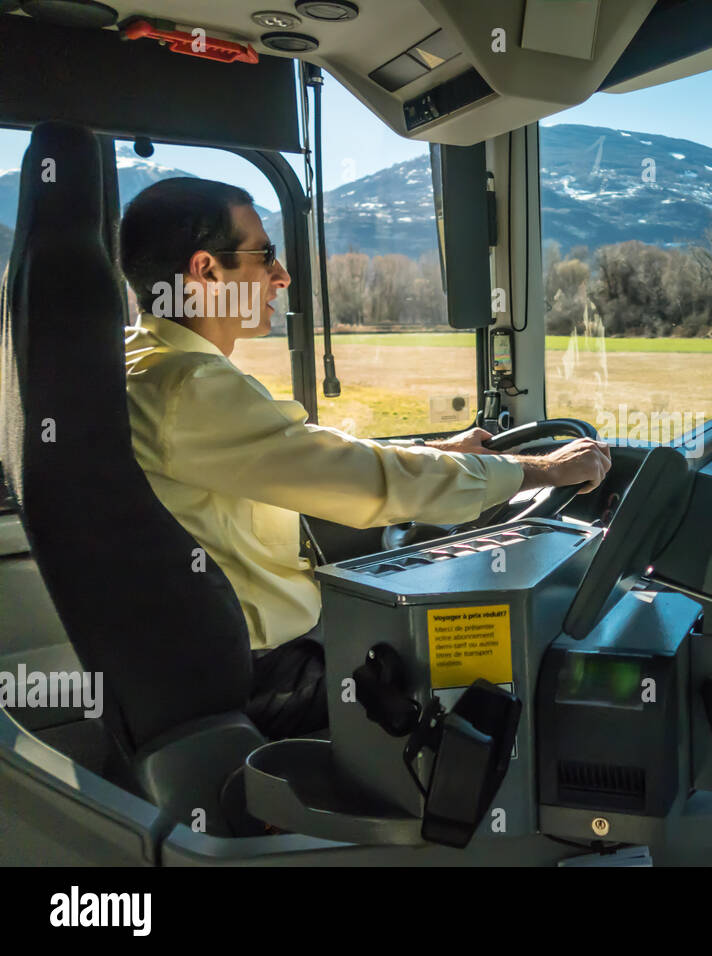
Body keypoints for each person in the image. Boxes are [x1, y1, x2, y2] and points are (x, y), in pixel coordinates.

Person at [118, 177, 610, 738]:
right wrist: (539, 471)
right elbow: (366, 481)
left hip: (238, 655)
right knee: (499, 672)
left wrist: (436, 451)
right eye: (265, 255)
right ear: (207, 271)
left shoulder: (147, 365)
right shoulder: (191, 389)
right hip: (271, 676)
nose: (281, 276)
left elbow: (312, 455)